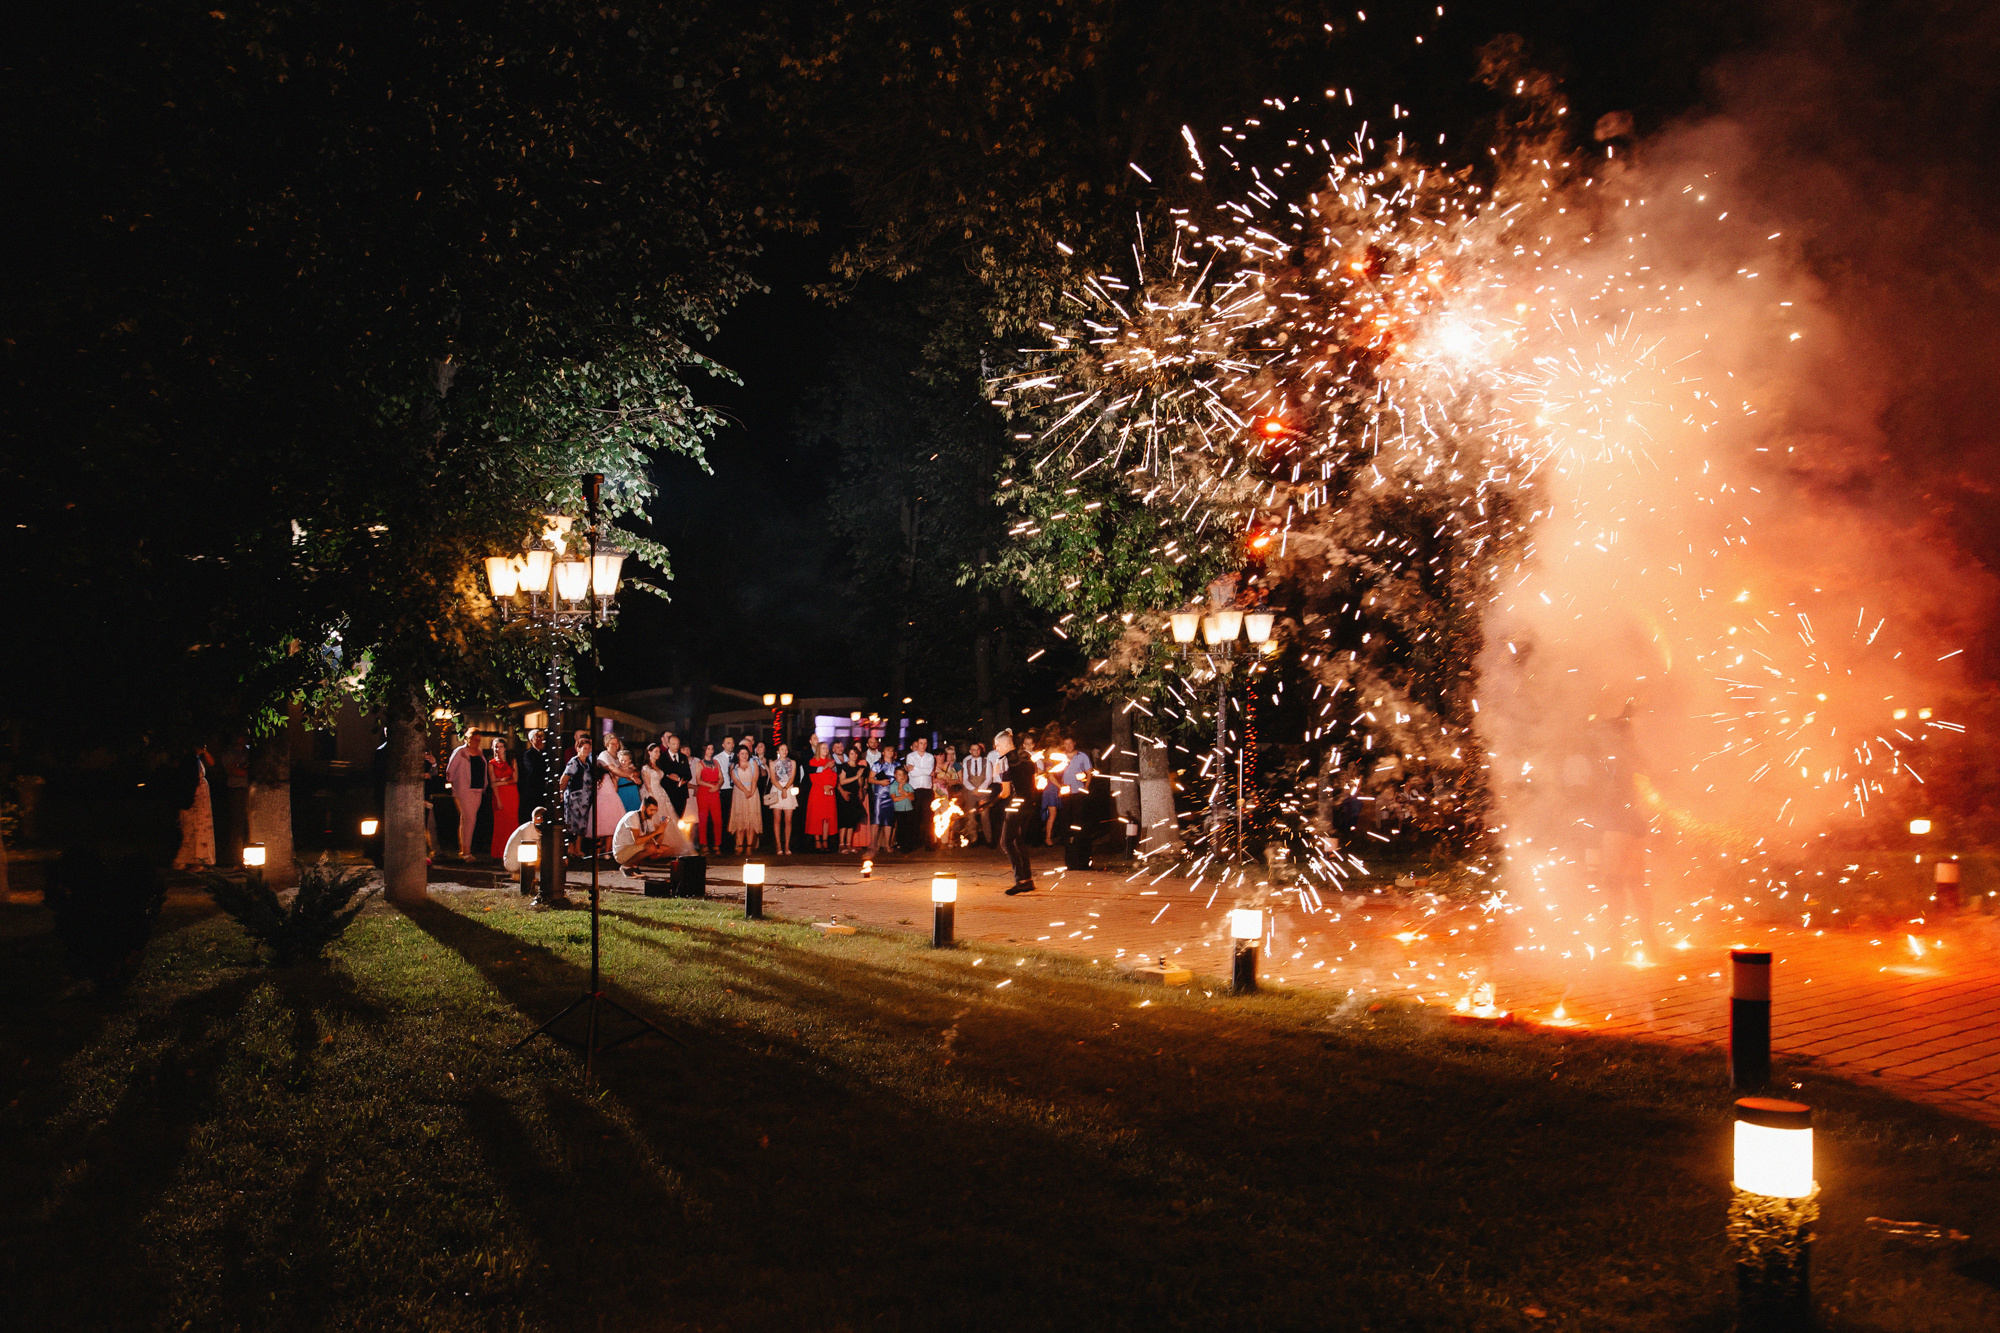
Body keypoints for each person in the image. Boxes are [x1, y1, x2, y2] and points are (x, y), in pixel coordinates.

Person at [994, 729, 1040, 895]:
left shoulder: (1005, 761)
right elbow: (1034, 782)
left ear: (1006, 743)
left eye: (998, 745)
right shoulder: (1027, 756)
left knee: (1006, 841)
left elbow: (1005, 792)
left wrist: (991, 801)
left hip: (1016, 805)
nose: (996, 749)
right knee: (1018, 841)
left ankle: (1021, 880)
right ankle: (1027, 880)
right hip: (1029, 804)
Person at [613, 795, 694, 876]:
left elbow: (656, 843)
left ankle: (634, 865)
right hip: (621, 851)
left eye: (655, 810)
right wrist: (656, 832)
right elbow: (637, 841)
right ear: (643, 808)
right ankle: (626, 866)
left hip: (632, 847)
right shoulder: (632, 817)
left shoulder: (648, 818)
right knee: (651, 848)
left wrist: (662, 830)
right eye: (651, 810)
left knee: (664, 849)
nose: (653, 813)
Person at [445, 728, 488, 860]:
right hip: (464, 790)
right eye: (474, 739)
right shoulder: (460, 752)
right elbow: (450, 771)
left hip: (477, 790)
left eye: (478, 740)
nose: (477, 742)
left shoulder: (480, 752)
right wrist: (451, 785)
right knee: (469, 819)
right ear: (467, 739)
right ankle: (466, 852)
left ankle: (464, 849)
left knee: (468, 819)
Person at [172, 748, 216, 870]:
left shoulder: (197, 759)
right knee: (193, 828)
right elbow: (189, 779)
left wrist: (205, 752)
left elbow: (212, 763)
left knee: (200, 827)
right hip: (195, 794)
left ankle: (199, 860)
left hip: (200, 794)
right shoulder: (189, 760)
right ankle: (190, 859)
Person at [558, 731, 596, 862]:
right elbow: (564, 779)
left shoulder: (588, 763)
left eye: (588, 748)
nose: (586, 751)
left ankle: (578, 849)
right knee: (571, 824)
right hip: (574, 798)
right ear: (578, 748)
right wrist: (561, 793)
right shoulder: (574, 762)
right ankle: (570, 848)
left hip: (585, 799)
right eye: (583, 748)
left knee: (582, 825)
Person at [597, 733, 636, 854]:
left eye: (616, 743)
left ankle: (609, 850)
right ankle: (599, 851)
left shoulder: (617, 756)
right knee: (603, 821)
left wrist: (633, 773)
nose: (615, 746)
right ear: (606, 744)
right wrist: (629, 775)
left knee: (612, 822)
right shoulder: (604, 755)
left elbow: (630, 768)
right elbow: (613, 770)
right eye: (612, 744)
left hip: (615, 789)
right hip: (605, 790)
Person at [1056, 736, 1094, 846]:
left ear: (1074, 743)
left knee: (1078, 814)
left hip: (1078, 790)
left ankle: (1077, 837)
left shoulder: (1082, 756)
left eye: (1070, 743)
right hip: (1065, 791)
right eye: (1066, 743)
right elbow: (1056, 774)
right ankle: (1065, 838)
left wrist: (1086, 786)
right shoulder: (1060, 757)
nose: (1069, 746)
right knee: (1065, 815)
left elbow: (1089, 773)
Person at [487, 736, 520, 860]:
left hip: (511, 794)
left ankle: (513, 850)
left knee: (512, 822)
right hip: (499, 795)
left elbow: (515, 779)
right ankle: (499, 852)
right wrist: (498, 799)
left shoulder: (511, 761)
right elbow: (492, 783)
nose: (497, 749)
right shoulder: (491, 763)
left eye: (500, 747)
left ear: (504, 748)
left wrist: (500, 782)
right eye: (496, 746)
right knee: (500, 824)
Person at [728, 745, 763, 856]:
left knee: (751, 819)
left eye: (746, 753)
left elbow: (755, 778)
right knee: (740, 818)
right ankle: (739, 845)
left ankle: (749, 846)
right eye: (742, 753)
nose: (744, 756)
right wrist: (745, 791)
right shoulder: (733, 766)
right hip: (739, 793)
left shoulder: (753, 763)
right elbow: (736, 781)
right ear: (738, 754)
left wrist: (751, 792)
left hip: (752, 793)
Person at [767, 743, 799, 855]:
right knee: (777, 819)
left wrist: (786, 788)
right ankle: (778, 846)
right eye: (782, 749)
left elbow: (792, 777)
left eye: (786, 749)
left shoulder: (793, 763)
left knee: (788, 820)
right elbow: (773, 779)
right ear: (778, 751)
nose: (784, 751)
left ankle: (787, 846)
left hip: (788, 789)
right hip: (777, 789)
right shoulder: (773, 763)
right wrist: (782, 789)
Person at [805, 741, 837, 852]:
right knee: (817, 817)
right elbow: (813, 777)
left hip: (829, 792)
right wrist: (823, 786)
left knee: (827, 818)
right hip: (818, 791)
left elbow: (834, 775)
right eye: (823, 748)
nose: (826, 750)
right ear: (819, 749)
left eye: (827, 748)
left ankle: (825, 840)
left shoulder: (832, 762)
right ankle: (817, 840)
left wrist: (830, 786)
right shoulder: (813, 761)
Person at [869, 743, 900, 855]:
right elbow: (870, 779)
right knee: (876, 818)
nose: (890, 752)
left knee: (889, 819)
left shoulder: (897, 764)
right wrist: (880, 782)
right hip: (880, 794)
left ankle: (887, 844)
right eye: (888, 750)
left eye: (892, 750)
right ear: (883, 752)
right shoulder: (877, 764)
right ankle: (873, 843)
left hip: (891, 794)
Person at [906, 737, 935, 849]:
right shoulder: (911, 756)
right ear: (917, 744)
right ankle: (914, 843)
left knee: (928, 818)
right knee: (914, 817)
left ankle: (929, 843)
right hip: (915, 790)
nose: (923, 745)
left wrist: (916, 769)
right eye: (921, 743)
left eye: (925, 743)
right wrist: (925, 770)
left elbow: (929, 771)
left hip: (927, 790)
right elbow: (912, 773)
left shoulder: (930, 757)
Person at [517, 728, 552, 825]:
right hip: (533, 790)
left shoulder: (544, 753)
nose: (541, 739)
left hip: (542, 790)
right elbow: (534, 771)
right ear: (532, 740)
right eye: (538, 737)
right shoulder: (528, 754)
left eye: (541, 737)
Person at [693, 743, 723, 854]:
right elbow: (698, 780)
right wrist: (712, 786)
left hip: (715, 791)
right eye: (708, 749)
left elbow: (721, 778)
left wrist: (718, 786)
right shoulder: (699, 763)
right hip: (704, 791)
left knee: (718, 819)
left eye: (712, 748)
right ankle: (703, 844)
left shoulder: (716, 762)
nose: (711, 751)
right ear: (704, 750)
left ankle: (717, 844)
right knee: (703, 819)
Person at [835, 742, 864, 852]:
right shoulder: (844, 767)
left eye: (855, 754)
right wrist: (856, 776)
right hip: (845, 794)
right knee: (844, 820)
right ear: (849, 755)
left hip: (854, 796)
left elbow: (860, 782)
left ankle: (849, 844)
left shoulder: (859, 767)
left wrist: (861, 789)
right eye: (852, 754)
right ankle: (841, 844)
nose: (854, 756)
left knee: (852, 820)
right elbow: (841, 781)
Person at [960, 742, 990, 846]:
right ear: (970, 751)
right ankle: (973, 840)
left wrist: (980, 789)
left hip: (984, 791)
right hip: (970, 792)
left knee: (985, 815)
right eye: (973, 749)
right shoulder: (966, 762)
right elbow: (964, 779)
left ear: (980, 750)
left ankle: (989, 840)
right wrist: (973, 789)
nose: (975, 751)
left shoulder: (987, 762)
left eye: (977, 749)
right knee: (970, 816)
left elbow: (989, 778)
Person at [660, 734, 692, 820]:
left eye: (678, 744)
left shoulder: (683, 757)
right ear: (668, 744)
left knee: (679, 818)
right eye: (674, 744)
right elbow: (662, 777)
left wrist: (679, 780)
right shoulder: (662, 758)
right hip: (668, 793)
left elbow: (688, 775)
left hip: (682, 793)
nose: (676, 746)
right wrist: (669, 777)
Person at [890, 764, 916, 851]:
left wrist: (905, 793)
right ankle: (900, 843)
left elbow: (912, 797)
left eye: (903, 775)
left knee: (908, 827)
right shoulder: (893, 786)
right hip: (899, 810)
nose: (901, 777)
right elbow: (895, 799)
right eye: (899, 774)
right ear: (895, 775)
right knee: (901, 827)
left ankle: (908, 844)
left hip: (909, 809)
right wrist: (906, 795)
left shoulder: (908, 786)